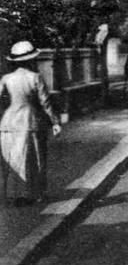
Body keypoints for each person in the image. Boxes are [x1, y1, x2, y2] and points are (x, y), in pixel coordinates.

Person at [1, 41, 62, 206]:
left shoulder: (6, 79)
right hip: (30, 122)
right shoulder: (35, 77)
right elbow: (45, 103)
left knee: (13, 158)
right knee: (34, 158)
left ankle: (14, 194)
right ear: (30, 60)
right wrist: (55, 122)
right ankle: (35, 194)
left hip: (8, 124)